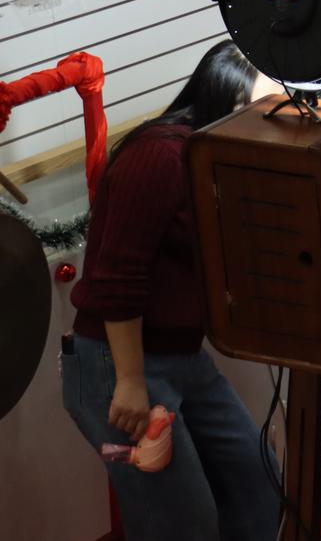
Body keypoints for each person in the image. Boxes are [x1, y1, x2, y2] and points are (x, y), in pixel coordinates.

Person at [62, 40, 280, 541]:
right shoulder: (159, 157)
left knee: (257, 482)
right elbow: (118, 280)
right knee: (181, 524)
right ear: (227, 104)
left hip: (181, 357)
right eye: (262, 110)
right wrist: (131, 382)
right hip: (116, 362)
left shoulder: (224, 161)